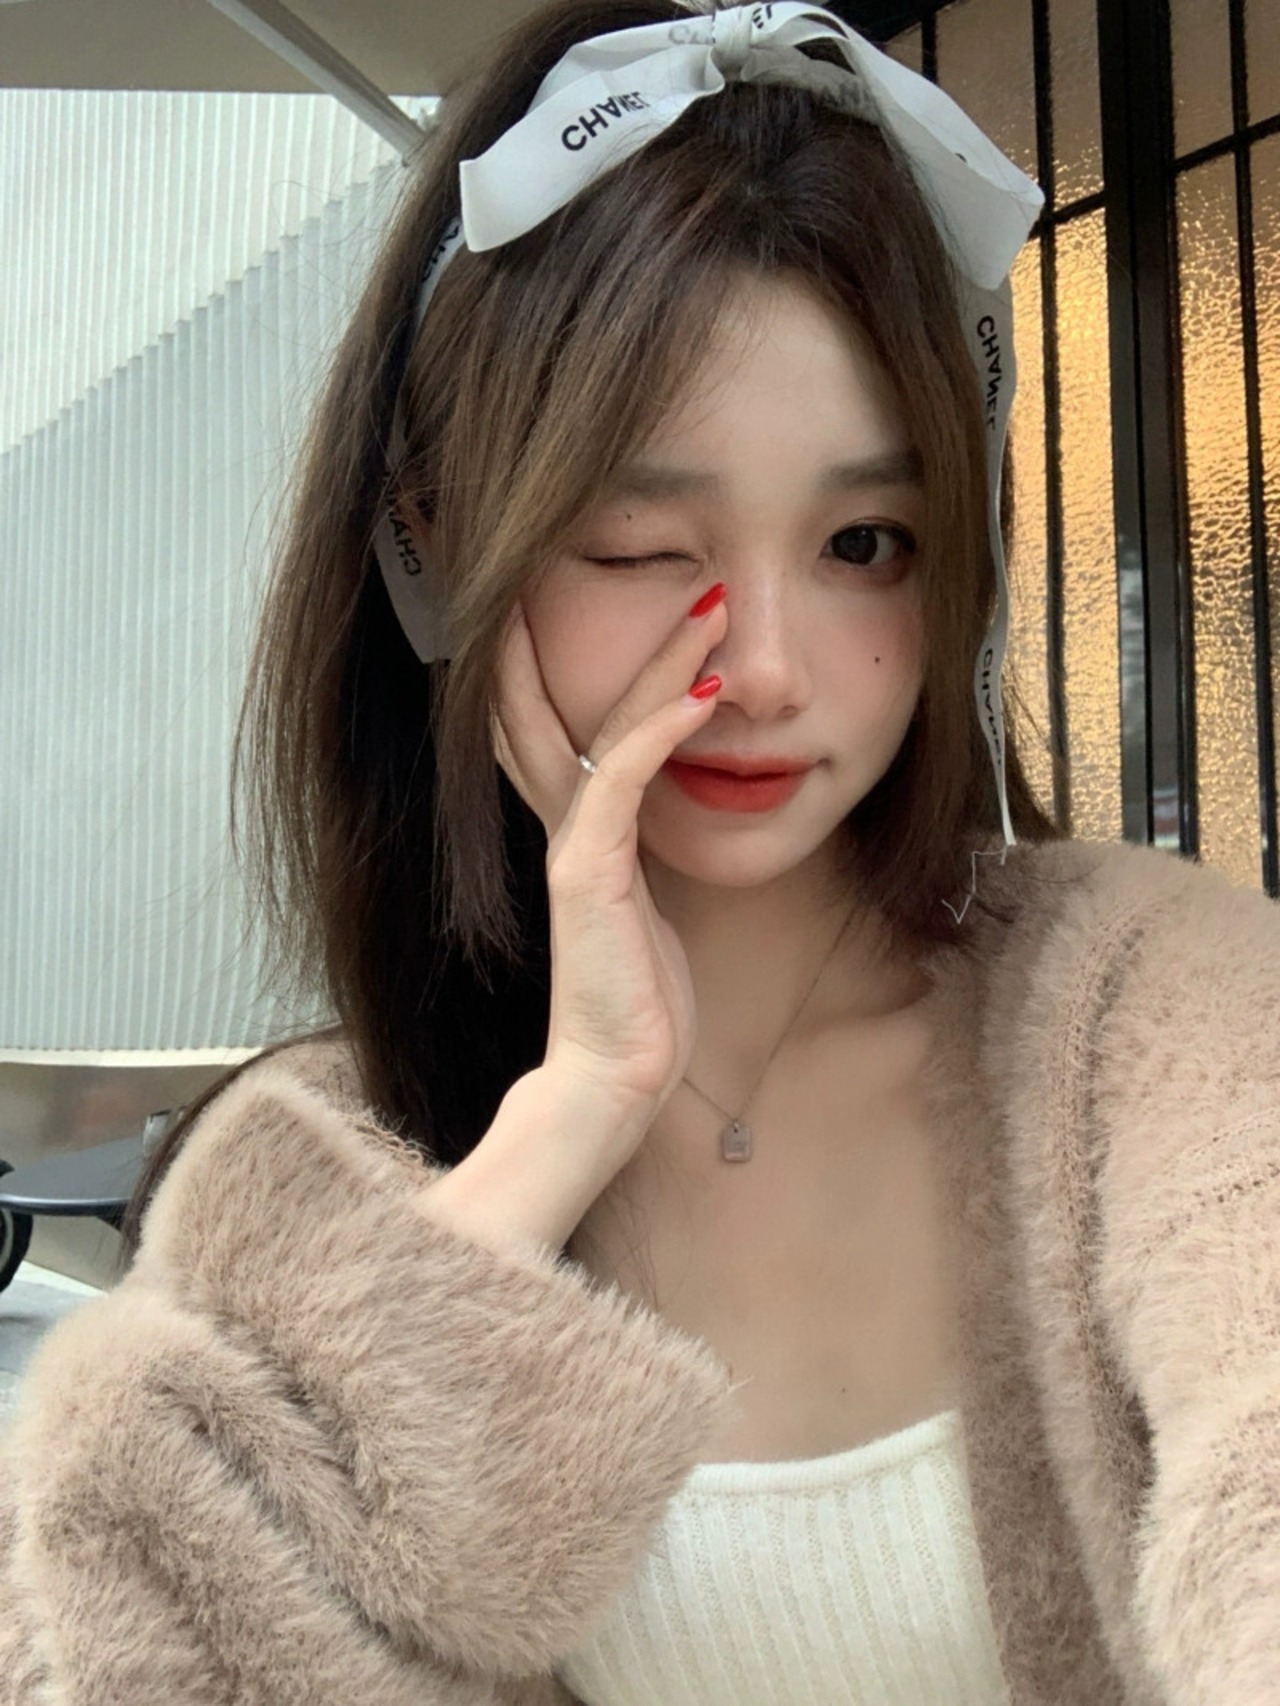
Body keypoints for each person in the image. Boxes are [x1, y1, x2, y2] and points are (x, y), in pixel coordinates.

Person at [2, 2, 1277, 1702]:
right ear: (431, 545)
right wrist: (566, 1124)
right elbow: (111, 1653)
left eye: (864, 541)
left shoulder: (1157, 1024)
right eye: (635, 539)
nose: (765, 666)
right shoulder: (332, 1163)